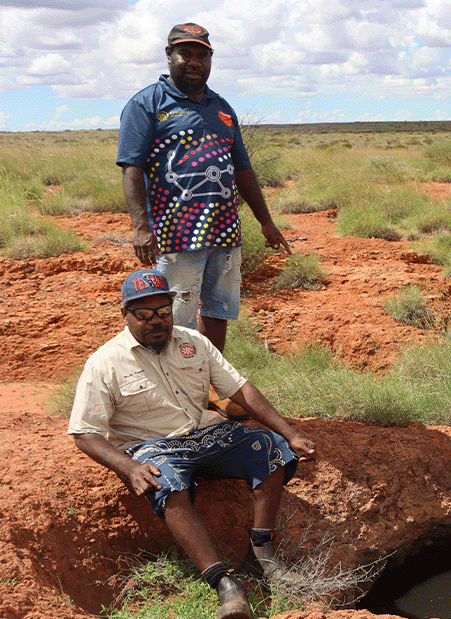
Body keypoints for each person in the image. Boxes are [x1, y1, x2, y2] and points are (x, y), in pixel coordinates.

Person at [69, 269, 317, 619]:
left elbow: (240, 389)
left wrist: (290, 432)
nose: (156, 321)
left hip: (206, 433)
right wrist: (129, 467)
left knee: (271, 447)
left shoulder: (193, 342)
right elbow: (84, 433)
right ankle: (225, 583)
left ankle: (261, 552)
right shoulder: (104, 363)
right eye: (143, 314)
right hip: (153, 446)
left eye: (163, 311)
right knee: (165, 480)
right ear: (124, 314)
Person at [118, 22, 291, 353]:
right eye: (186, 53)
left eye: (202, 55)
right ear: (169, 56)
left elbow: (242, 169)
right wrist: (140, 225)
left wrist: (265, 221)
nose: (194, 62)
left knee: (218, 311)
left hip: (225, 230)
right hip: (176, 231)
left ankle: (210, 381)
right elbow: (132, 167)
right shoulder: (147, 104)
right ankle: (175, 387)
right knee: (174, 316)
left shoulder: (222, 108)